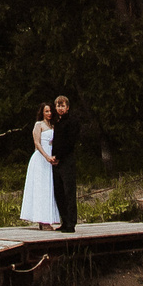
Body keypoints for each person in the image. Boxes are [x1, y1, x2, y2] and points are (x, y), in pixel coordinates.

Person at [18, 100, 59, 228]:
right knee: (40, 188)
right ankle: (42, 220)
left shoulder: (53, 125)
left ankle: (49, 219)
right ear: (42, 113)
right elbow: (37, 143)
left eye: (50, 111)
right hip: (41, 159)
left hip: (51, 159)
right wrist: (46, 156)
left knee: (49, 188)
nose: (49, 113)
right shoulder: (38, 125)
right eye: (46, 111)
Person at [50, 94, 78, 232]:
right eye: (58, 106)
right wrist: (53, 157)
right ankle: (64, 220)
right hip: (57, 162)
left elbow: (70, 143)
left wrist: (59, 156)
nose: (60, 108)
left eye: (63, 106)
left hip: (67, 161)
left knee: (69, 192)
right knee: (59, 192)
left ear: (67, 107)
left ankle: (71, 223)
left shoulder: (72, 121)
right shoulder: (58, 123)